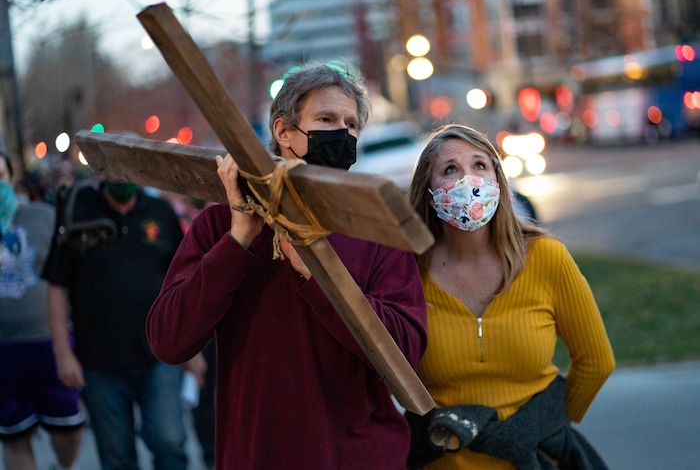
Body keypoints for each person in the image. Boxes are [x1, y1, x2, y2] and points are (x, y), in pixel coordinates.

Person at [146, 61, 428, 469]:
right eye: (327, 119)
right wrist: (238, 241)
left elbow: (407, 350)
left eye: (351, 124)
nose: (343, 133)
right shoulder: (219, 224)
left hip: (359, 456)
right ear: (283, 132)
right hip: (257, 454)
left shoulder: (376, 227)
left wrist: (318, 273)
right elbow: (168, 340)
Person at [405, 124, 615, 469]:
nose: (467, 181)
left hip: (536, 458)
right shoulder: (408, 272)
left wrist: (542, 425)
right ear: (429, 194)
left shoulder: (546, 257)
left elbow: (596, 362)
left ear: (498, 184)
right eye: (450, 170)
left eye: (479, 166)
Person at [41, 175, 189, 470]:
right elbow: (57, 286)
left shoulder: (160, 212)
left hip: (159, 357)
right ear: (103, 172)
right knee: (117, 459)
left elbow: (185, 278)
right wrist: (62, 353)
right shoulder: (79, 210)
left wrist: (192, 347)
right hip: (99, 363)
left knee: (169, 442)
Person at [0, 153, 85, 470]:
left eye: (0, 176)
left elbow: (66, 275)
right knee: (13, 437)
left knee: (69, 428)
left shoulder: (42, 217)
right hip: (4, 349)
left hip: (48, 343)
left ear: (11, 179)